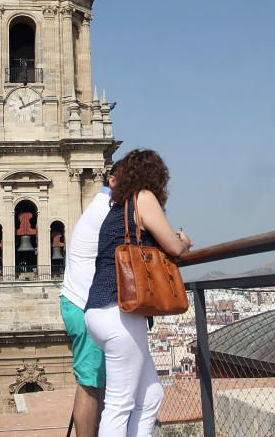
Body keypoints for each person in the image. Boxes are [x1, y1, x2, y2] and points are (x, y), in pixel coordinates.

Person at [84, 149, 192, 437]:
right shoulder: (143, 198)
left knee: (152, 395)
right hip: (120, 311)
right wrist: (184, 241)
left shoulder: (116, 209)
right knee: (119, 405)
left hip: (99, 310)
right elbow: (173, 246)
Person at [60, 165, 118, 437]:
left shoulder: (100, 205)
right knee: (91, 383)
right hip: (86, 304)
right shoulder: (109, 209)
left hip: (84, 303)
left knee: (95, 382)